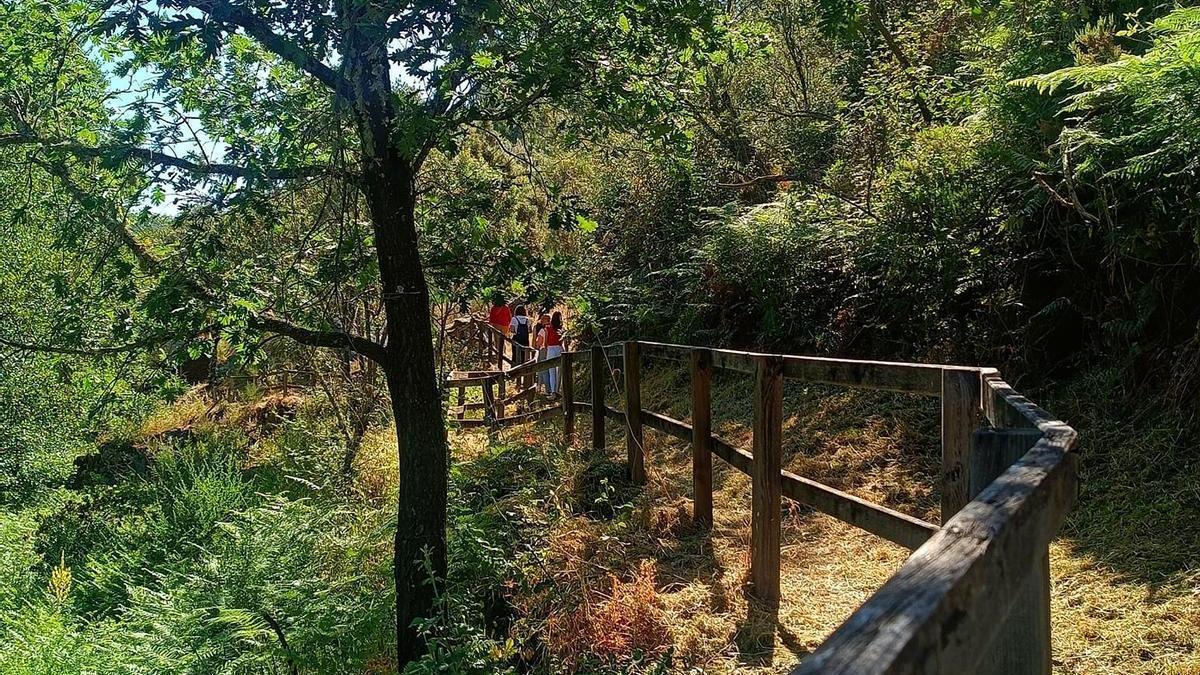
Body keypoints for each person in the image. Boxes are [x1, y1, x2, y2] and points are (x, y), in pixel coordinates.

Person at [544, 311, 564, 396]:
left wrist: (546, 348)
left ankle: (553, 391)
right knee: (559, 371)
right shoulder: (562, 329)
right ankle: (557, 390)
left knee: (551, 371)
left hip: (551, 349)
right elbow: (563, 341)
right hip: (559, 349)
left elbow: (545, 342)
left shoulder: (547, 328)